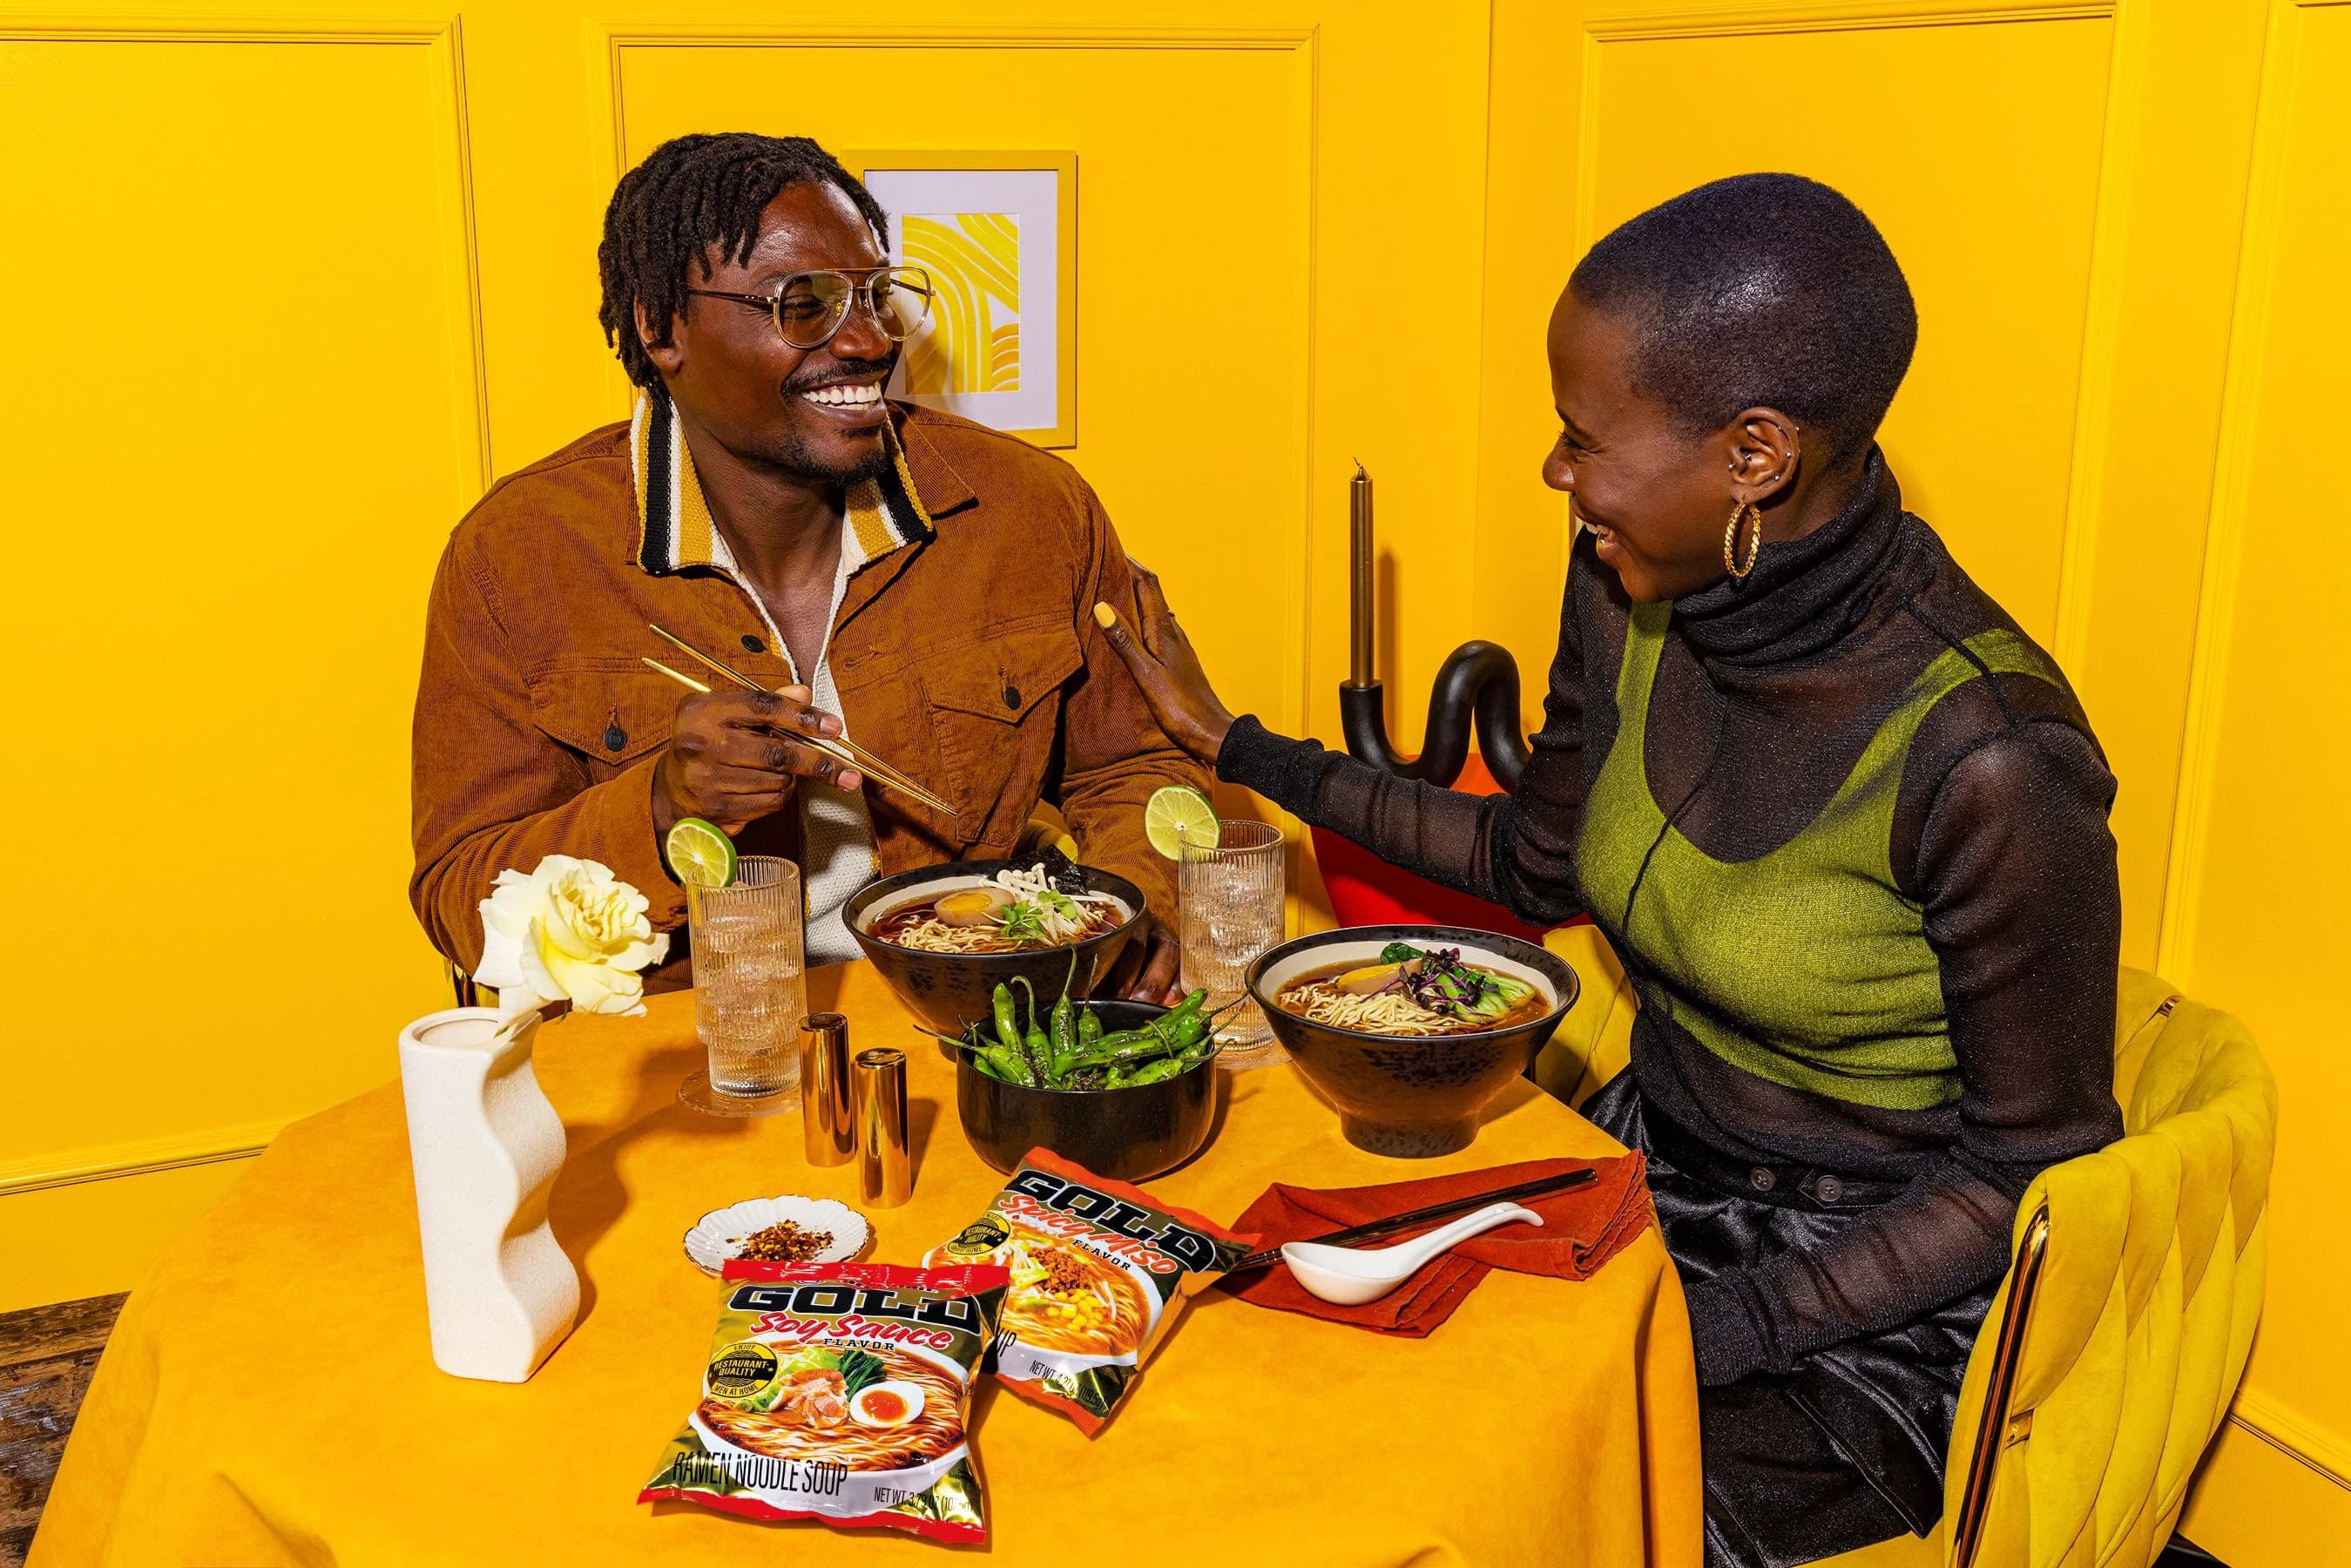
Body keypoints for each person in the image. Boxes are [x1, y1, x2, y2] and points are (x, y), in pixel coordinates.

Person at [1097, 173, 2123, 1566]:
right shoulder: (1626, 580)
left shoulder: (1991, 755)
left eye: (1581, 440)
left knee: (1531, 1522)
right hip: (1636, 1180)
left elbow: (2027, 1175)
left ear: (1751, 455)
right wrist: (1241, 748)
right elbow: (1532, 864)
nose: (1554, 474)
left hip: (1861, 1307)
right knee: (1304, 1414)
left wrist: (1705, 1328)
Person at [410, 133, 1205, 997]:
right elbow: (462, 897)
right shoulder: (519, 554)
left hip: (976, 1019)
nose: (867, 341)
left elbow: (1135, 766)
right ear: (660, 328)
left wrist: (1123, 912)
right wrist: (661, 809)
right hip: (696, 1044)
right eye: (804, 304)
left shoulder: (1027, 509)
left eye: (875, 297)